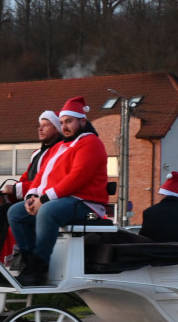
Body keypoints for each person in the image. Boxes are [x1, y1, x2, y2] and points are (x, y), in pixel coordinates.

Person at [8, 96, 109, 286]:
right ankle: (30, 263)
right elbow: (41, 175)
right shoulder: (60, 146)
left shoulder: (90, 143)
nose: (64, 127)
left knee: (48, 211)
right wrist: (31, 196)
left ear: (82, 121)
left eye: (69, 121)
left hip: (85, 202)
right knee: (15, 212)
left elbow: (77, 179)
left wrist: (43, 200)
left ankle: (40, 267)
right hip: (61, 200)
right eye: (62, 122)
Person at [0, 110, 63, 261]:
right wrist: (7, 194)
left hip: (46, 202)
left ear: (56, 128)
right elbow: (26, 179)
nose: (40, 129)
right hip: (31, 199)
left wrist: (16, 190)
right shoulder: (37, 154)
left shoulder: (58, 152)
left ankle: (1, 260)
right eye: (39, 125)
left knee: (5, 214)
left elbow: (48, 184)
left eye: (45, 125)